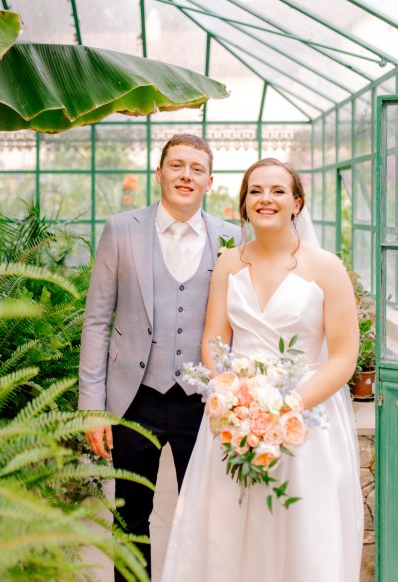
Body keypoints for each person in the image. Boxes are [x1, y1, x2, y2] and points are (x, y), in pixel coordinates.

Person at [161, 157, 364, 582]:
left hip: (307, 420)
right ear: (243, 203)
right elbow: (213, 344)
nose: (265, 199)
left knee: (301, 529)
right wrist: (232, 400)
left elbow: (344, 359)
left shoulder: (327, 267)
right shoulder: (229, 264)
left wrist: (283, 409)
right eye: (255, 191)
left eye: (277, 191)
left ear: (297, 203)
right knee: (227, 528)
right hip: (234, 417)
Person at [78, 133, 242, 579]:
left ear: (210, 181)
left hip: (203, 402)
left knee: (207, 519)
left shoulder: (232, 238)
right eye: (177, 165)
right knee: (130, 520)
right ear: (159, 173)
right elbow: (96, 320)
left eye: (196, 168)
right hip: (134, 398)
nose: (186, 175)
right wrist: (91, 406)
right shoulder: (121, 229)